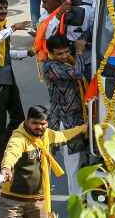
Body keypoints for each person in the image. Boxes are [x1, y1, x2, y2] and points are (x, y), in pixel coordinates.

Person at [0, 105, 85, 218]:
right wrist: (6, 167)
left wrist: (82, 129)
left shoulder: (47, 135)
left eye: (43, 123)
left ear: (47, 123)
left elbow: (64, 135)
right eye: (35, 123)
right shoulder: (19, 138)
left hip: (37, 201)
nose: (39, 127)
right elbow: (11, 152)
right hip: (13, 201)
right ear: (27, 121)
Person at [0, 0, 30, 170]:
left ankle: (6, 149)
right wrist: (14, 27)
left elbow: (8, 53)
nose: (3, 11)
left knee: (18, 118)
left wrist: (29, 52)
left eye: (5, 8)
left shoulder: (3, 28)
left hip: (9, 79)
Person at [42, 35, 85, 195]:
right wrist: (79, 52)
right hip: (64, 121)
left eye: (67, 52)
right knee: (73, 164)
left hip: (76, 119)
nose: (65, 56)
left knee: (80, 161)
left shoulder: (65, 62)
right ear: (51, 53)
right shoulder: (51, 66)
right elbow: (78, 73)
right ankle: (76, 202)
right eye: (60, 54)